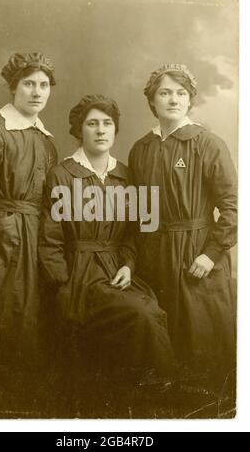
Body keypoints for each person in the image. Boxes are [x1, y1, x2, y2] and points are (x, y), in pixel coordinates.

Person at [38, 94, 178, 416]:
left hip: (117, 269)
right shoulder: (62, 175)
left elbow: (133, 233)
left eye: (107, 124)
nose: (101, 131)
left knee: (151, 309)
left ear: (115, 130)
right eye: (92, 124)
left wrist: (128, 265)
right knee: (139, 315)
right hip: (79, 274)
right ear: (78, 130)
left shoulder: (127, 176)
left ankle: (152, 397)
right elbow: (50, 239)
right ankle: (163, 387)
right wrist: (63, 284)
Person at [128, 64, 237, 390]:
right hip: (155, 255)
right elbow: (138, 213)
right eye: (164, 92)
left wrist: (211, 253)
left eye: (181, 92)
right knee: (162, 337)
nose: (173, 99)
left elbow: (232, 207)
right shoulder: (141, 148)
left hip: (197, 252)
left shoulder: (207, 143)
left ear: (190, 100)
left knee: (201, 337)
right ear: (152, 100)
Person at [0, 52, 58, 414]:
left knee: (34, 308)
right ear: (13, 87)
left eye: (43, 85)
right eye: (28, 84)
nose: (37, 92)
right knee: (5, 307)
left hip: (37, 230)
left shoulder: (45, 138)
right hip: (2, 232)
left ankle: (29, 395)